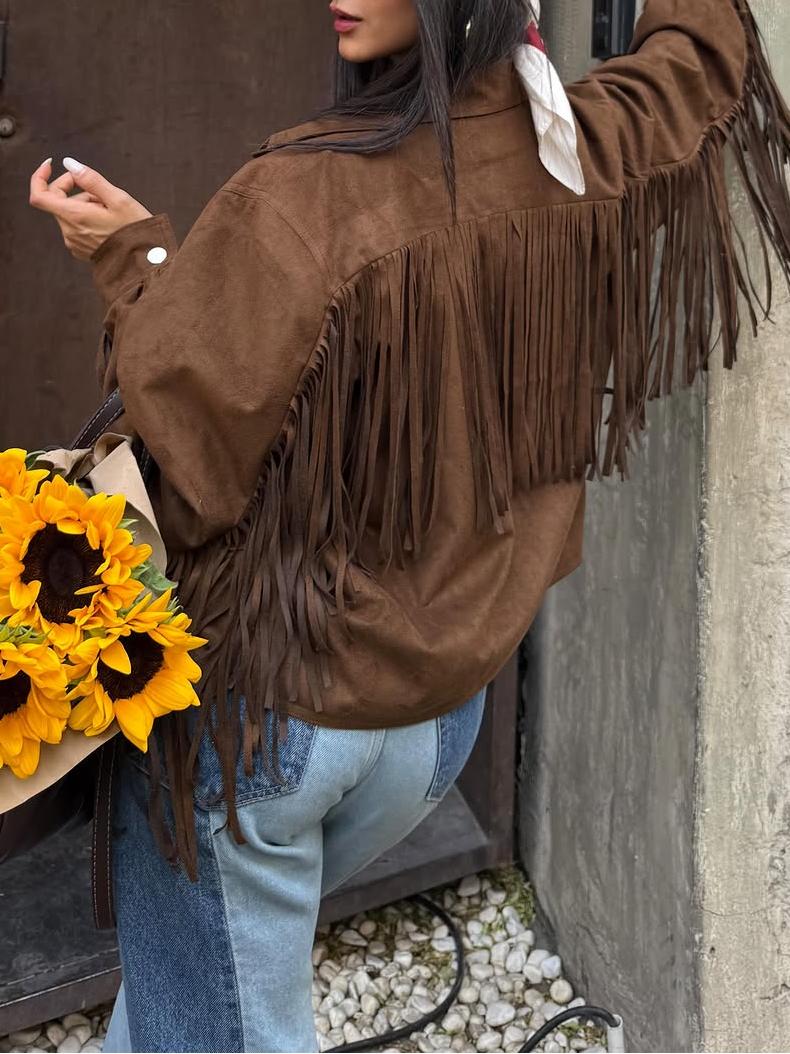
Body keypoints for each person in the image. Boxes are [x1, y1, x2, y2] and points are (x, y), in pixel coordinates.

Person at [28, 0, 790, 1050]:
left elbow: (191, 468)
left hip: (275, 730)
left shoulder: (297, 199)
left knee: (215, 1017)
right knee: (197, 1000)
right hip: (437, 726)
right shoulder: (578, 150)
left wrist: (138, 266)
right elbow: (702, 60)